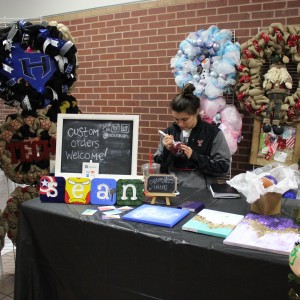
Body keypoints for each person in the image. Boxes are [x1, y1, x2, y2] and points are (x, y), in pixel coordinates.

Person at [154, 83, 231, 189]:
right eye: (176, 119)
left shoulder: (213, 133)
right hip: (171, 189)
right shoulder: (169, 133)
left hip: (201, 191)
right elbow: (159, 168)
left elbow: (223, 168)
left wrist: (194, 157)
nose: (180, 124)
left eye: (185, 119)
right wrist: (167, 151)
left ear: (197, 112)